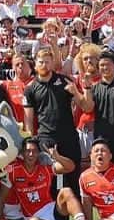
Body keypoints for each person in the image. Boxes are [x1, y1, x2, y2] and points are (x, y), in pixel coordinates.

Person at [0, 136, 96, 220]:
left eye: (34, 151)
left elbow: (70, 167)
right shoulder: (14, 171)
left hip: (54, 212)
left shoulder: (45, 167)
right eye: (28, 151)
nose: (31, 154)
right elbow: (1, 198)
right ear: (22, 153)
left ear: (39, 153)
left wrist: (57, 157)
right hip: (34, 219)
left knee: (66, 191)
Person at [22, 47, 82, 184]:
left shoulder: (65, 81)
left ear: (53, 62)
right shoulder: (30, 88)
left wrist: (76, 93)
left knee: (73, 175)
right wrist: (31, 140)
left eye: (48, 62)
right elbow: (28, 119)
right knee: (50, 179)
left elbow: (83, 104)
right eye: (41, 62)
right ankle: (52, 205)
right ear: (35, 64)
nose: (44, 65)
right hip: (46, 138)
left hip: (68, 136)